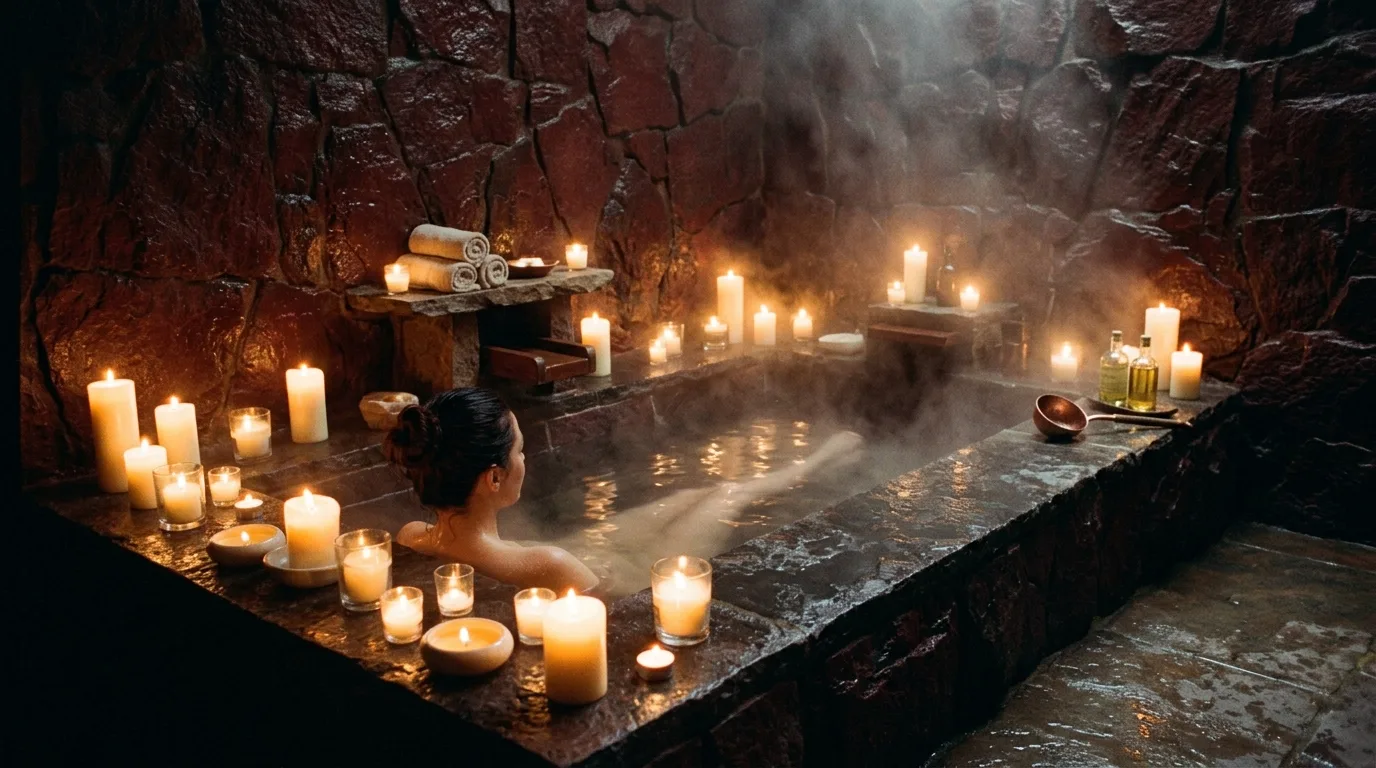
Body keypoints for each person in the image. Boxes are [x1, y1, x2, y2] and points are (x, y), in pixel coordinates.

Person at [384, 388, 599, 593]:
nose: (523, 458)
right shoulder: (552, 567)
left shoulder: (410, 538)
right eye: (519, 450)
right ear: (495, 478)